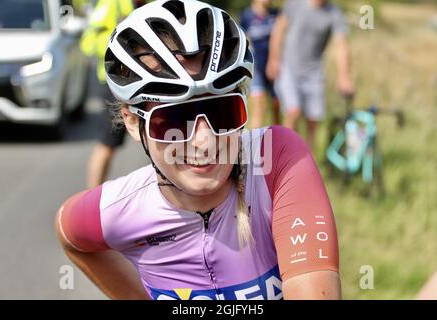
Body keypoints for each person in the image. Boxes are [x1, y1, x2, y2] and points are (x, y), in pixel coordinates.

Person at [56, 0, 340, 300]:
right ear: (131, 122)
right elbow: (70, 234)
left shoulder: (277, 160)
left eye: (222, 112)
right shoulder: (121, 209)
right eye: (175, 119)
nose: (204, 141)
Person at [266, 0, 354, 150]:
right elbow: (278, 29)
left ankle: (307, 162)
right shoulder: (295, 4)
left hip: (314, 72)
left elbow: (341, 46)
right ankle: (285, 157)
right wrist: (274, 58)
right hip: (289, 68)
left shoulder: (334, 13)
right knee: (293, 112)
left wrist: (343, 76)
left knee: (313, 122)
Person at [80, 0, 145, 189]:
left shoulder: (138, 3)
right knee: (107, 144)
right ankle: (91, 202)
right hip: (116, 83)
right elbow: (88, 42)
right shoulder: (112, 4)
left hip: (138, 82)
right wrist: (121, 42)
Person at [240, 0, 280, 128]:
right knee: (259, 107)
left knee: (276, 106)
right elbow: (243, 42)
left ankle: (278, 141)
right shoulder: (246, 16)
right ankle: (254, 145)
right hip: (256, 68)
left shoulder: (276, 14)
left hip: (275, 67)